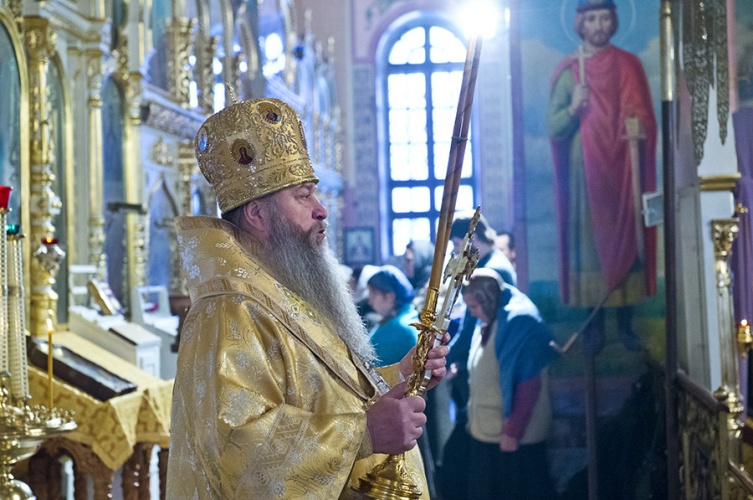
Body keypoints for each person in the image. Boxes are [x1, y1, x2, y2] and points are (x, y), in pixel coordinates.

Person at [166, 97, 449, 499]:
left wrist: (400, 379)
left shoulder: (281, 290)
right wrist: (364, 434)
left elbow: (319, 396)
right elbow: (237, 451)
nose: (321, 210)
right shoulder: (228, 309)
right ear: (257, 214)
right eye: (303, 196)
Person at [547, 0, 657, 354]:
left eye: (605, 18)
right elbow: (554, 126)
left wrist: (637, 124)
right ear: (581, 24)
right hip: (585, 169)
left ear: (614, 22)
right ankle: (593, 327)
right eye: (592, 18)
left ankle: (625, 324)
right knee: (590, 245)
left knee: (626, 237)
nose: (598, 25)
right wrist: (573, 108)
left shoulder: (628, 64)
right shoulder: (571, 70)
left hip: (624, 168)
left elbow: (644, 114)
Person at [462, 268, 558, 499]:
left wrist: (513, 431)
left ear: (487, 298)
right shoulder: (490, 317)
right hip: (491, 433)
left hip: (513, 439)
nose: (472, 313)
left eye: (474, 306)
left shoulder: (518, 324)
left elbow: (528, 384)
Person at [367, 265, 419, 366]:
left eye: (373, 294)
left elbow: (370, 366)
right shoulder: (406, 316)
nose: (370, 302)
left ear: (390, 296)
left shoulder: (400, 327)